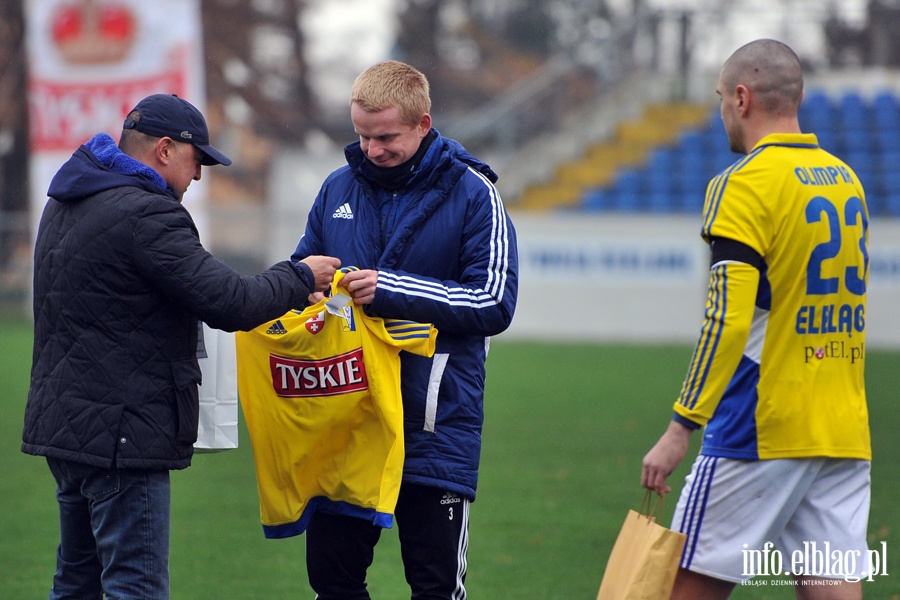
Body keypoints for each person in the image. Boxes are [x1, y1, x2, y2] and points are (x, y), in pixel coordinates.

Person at [22, 93, 340, 599]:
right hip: (124, 436)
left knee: (76, 584)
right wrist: (300, 275)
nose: (198, 176)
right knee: (136, 586)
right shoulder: (147, 213)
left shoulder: (67, 201)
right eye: (198, 161)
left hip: (66, 427)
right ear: (166, 150)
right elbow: (230, 301)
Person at [641, 39, 870, 599]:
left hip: (759, 423)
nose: (721, 110)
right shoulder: (846, 180)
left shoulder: (742, 184)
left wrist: (679, 428)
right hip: (841, 426)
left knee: (675, 586)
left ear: (741, 98)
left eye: (721, 98)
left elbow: (727, 321)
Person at [291, 60, 518, 599]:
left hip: (432, 422)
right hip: (349, 419)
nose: (372, 149)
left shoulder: (474, 193)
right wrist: (306, 290)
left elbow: (495, 301)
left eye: (386, 136)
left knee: (435, 588)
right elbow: (304, 271)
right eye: (362, 136)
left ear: (423, 123)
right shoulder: (336, 189)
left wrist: (393, 290)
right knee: (332, 582)